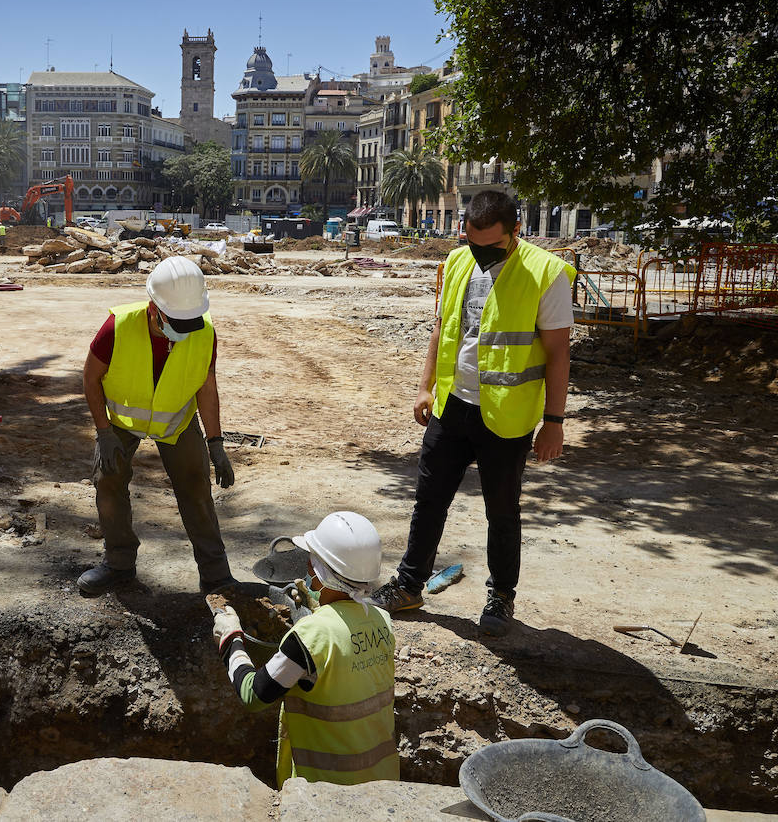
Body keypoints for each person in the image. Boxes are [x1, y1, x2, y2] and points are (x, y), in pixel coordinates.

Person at [371, 190, 575, 636]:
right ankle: (409, 584)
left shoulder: (546, 274)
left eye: (490, 247)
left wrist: (554, 423)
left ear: (516, 231)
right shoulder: (460, 261)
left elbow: (559, 353)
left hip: (507, 417)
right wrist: (425, 387)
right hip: (453, 407)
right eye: (472, 242)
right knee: (429, 501)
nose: (480, 254)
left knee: (502, 511)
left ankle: (501, 596)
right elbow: (444, 327)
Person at [79, 256, 236, 595]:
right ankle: (119, 563)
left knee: (196, 484)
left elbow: (206, 386)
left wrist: (216, 443)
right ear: (153, 308)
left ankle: (216, 575)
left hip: (176, 421)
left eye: (190, 321)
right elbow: (91, 379)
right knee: (108, 479)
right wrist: (104, 432)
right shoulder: (117, 327)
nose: (184, 330)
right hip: (121, 421)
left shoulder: (204, 332)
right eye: (176, 321)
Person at [211, 511, 397, 786]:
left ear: (321, 574)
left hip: (327, 791)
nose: (308, 571)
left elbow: (253, 695)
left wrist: (231, 640)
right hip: (381, 783)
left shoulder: (310, 636)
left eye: (312, 563)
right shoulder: (383, 620)